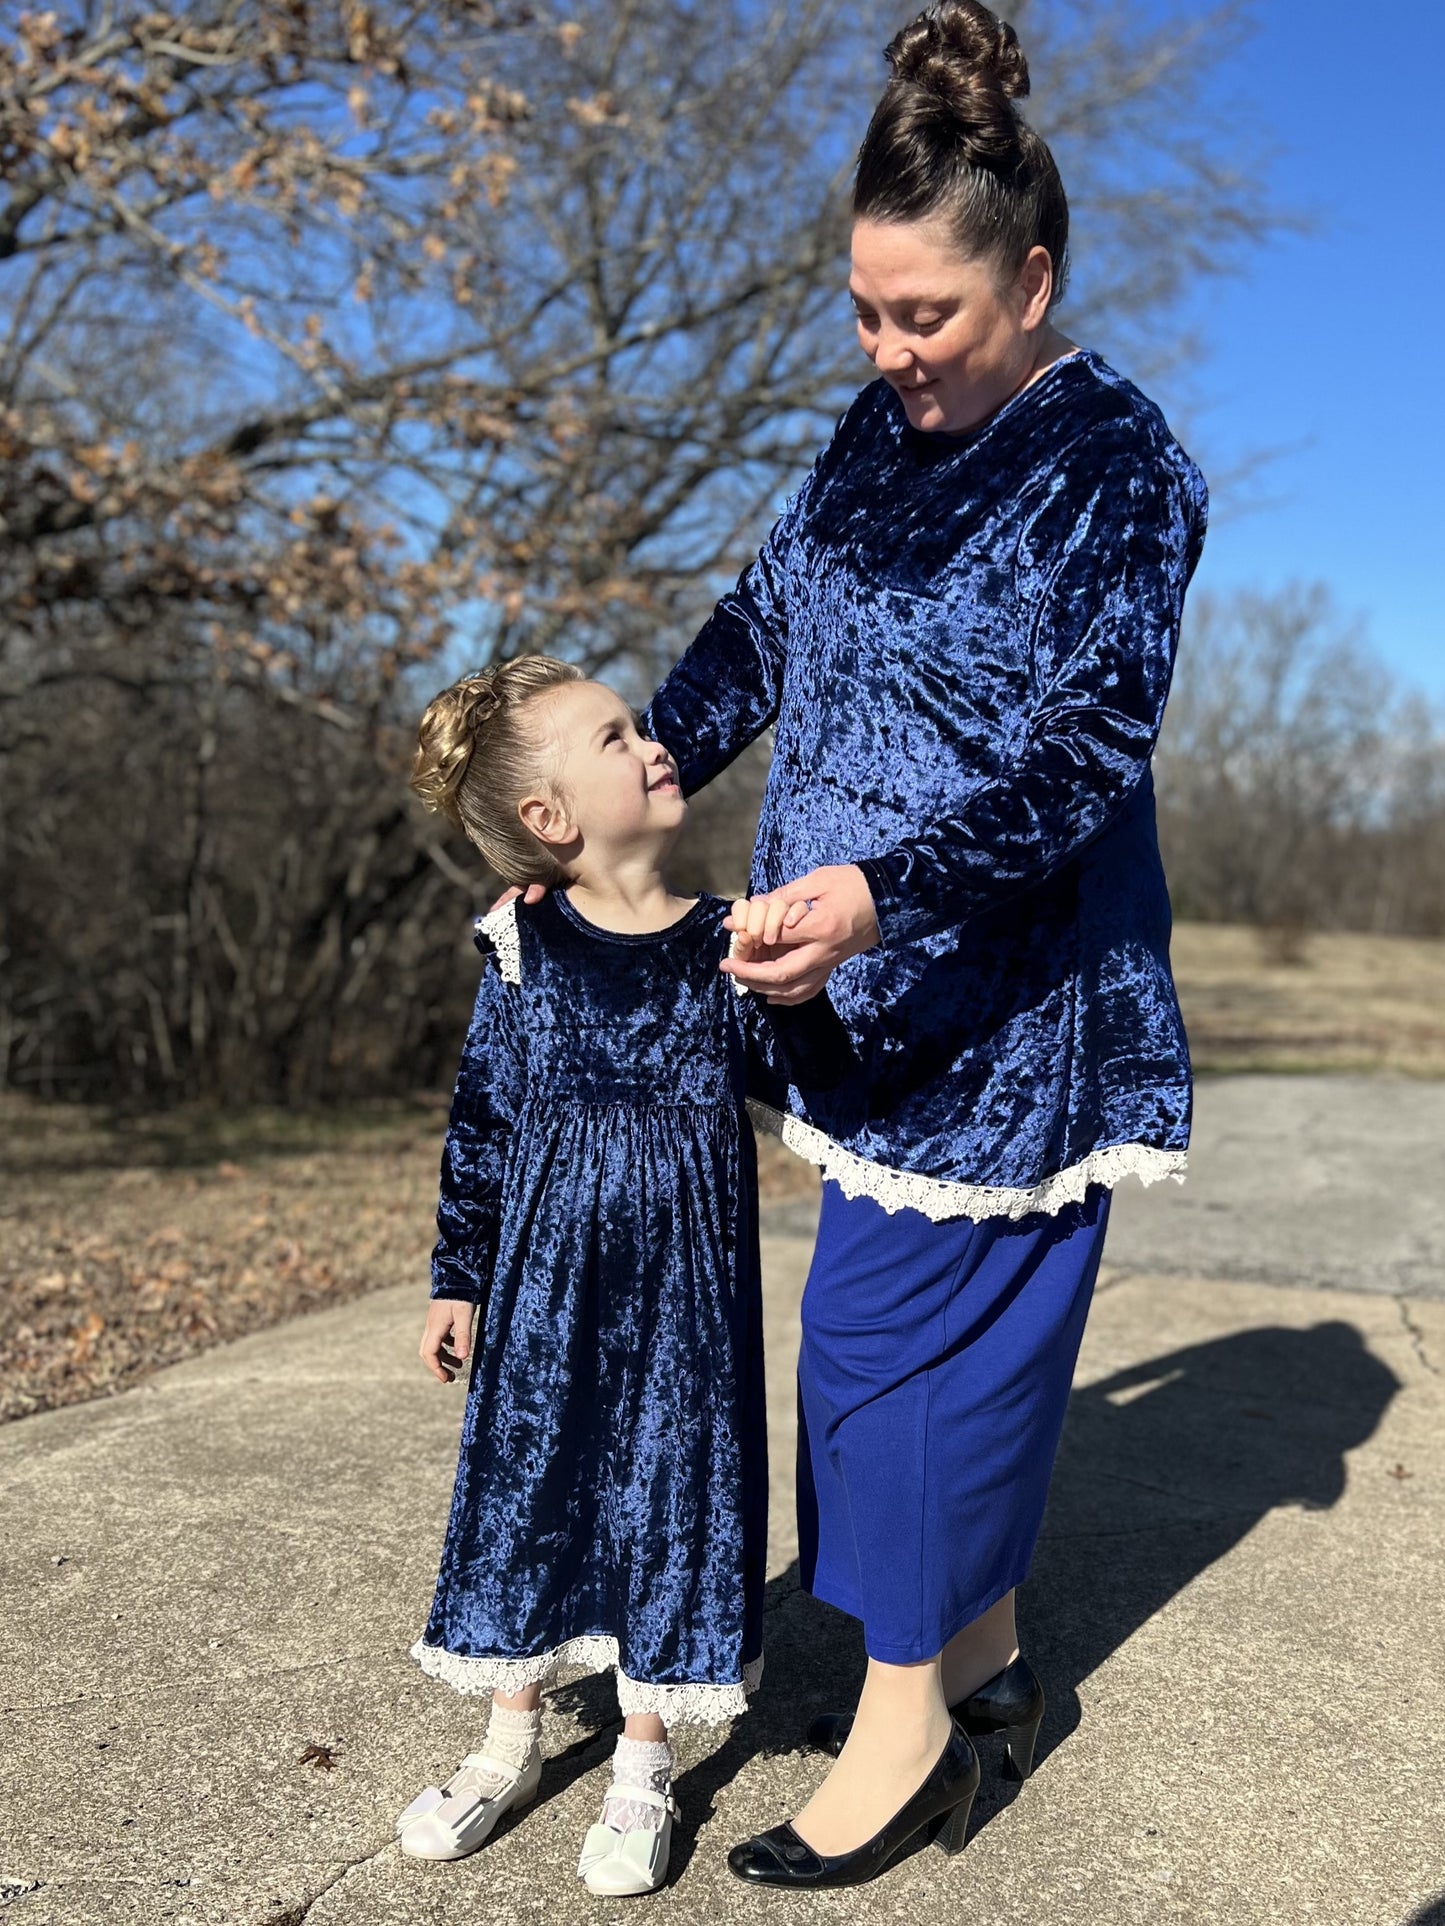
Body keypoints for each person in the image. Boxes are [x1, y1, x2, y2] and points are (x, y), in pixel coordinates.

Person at [635, 0, 1210, 1891]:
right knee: (893, 1368)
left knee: (901, 1371)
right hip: (861, 1007)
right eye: (865, 314)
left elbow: (1083, 754)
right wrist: (637, 774)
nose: (889, 355)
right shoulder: (865, 437)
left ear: (1030, 278)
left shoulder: (1119, 466)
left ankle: (911, 1746)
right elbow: (761, 625)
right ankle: (984, 1667)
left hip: (1019, 1014)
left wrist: (878, 893)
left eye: (927, 319)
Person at [394, 656, 858, 1897]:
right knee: (528, 1485)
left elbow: (816, 1083)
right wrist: (459, 1277)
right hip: (548, 1294)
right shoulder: (524, 944)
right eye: (613, 737)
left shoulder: (726, 940)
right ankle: (508, 1737)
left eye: (638, 725)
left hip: (683, 1307)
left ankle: (642, 1765)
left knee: (668, 1499)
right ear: (550, 820)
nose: (654, 744)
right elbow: (482, 1120)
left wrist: (794, 989)